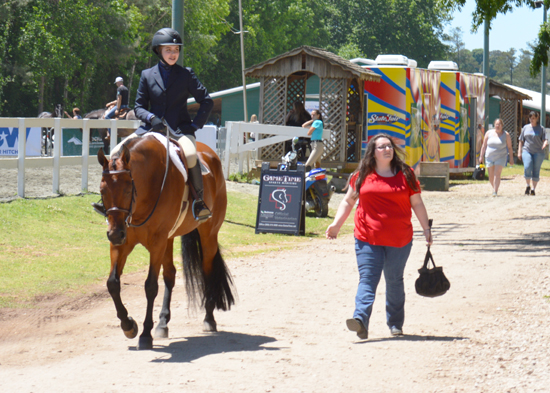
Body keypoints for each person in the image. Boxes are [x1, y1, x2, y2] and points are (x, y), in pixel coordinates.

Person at [92, 27, 214, 221]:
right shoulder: (147, 75)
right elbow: (139, 107)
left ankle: (198, 201)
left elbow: (207, 101)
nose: (173, 54)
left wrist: (193, 126)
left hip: (178, 130)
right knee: (115, 152)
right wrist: (151, 118)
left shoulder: (186, 75)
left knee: (191, 155)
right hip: (150, 128)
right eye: (168, 50)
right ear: (159, 51)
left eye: (176, 50)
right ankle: (105, 200)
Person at [325, 133, 432, 340]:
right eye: (381, 147)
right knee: (367, 278)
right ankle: (360, 320)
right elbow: (348, 202)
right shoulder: (362, 175)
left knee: (394, 280)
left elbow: (417, 203)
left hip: (399, 238)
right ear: (373, 153)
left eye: (389, 146)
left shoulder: (406, 174)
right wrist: (336, 224)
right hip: (367, 237)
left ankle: (395, 323)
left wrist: (426, 229)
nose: (387, 149)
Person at [479, 118, 514, 197]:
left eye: (499, 124)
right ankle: (494, 188)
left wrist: (511, 158)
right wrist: (481, 156)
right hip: (489, 157)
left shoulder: (506, 135)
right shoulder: (488, 133)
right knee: (491, 176)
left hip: (501, 157)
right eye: (496, 124)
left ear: (502, 126)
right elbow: (484, 146)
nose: (498, 126)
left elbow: (510, 147)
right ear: (494, 125)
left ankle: (495, 191)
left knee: (497, 173)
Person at [518, 111, 548, 196]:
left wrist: (545, 143)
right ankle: (528, 185)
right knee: (527, 166)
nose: (531, 119)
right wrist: (519, 151)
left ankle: (533, 189)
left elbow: (545, 139)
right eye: (530, 118)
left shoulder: (541, 128)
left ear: (537, 118)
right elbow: (521, 140)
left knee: (536, 170)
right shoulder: (525, 128)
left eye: (533, 118)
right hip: (527, 150)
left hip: (538, 152)